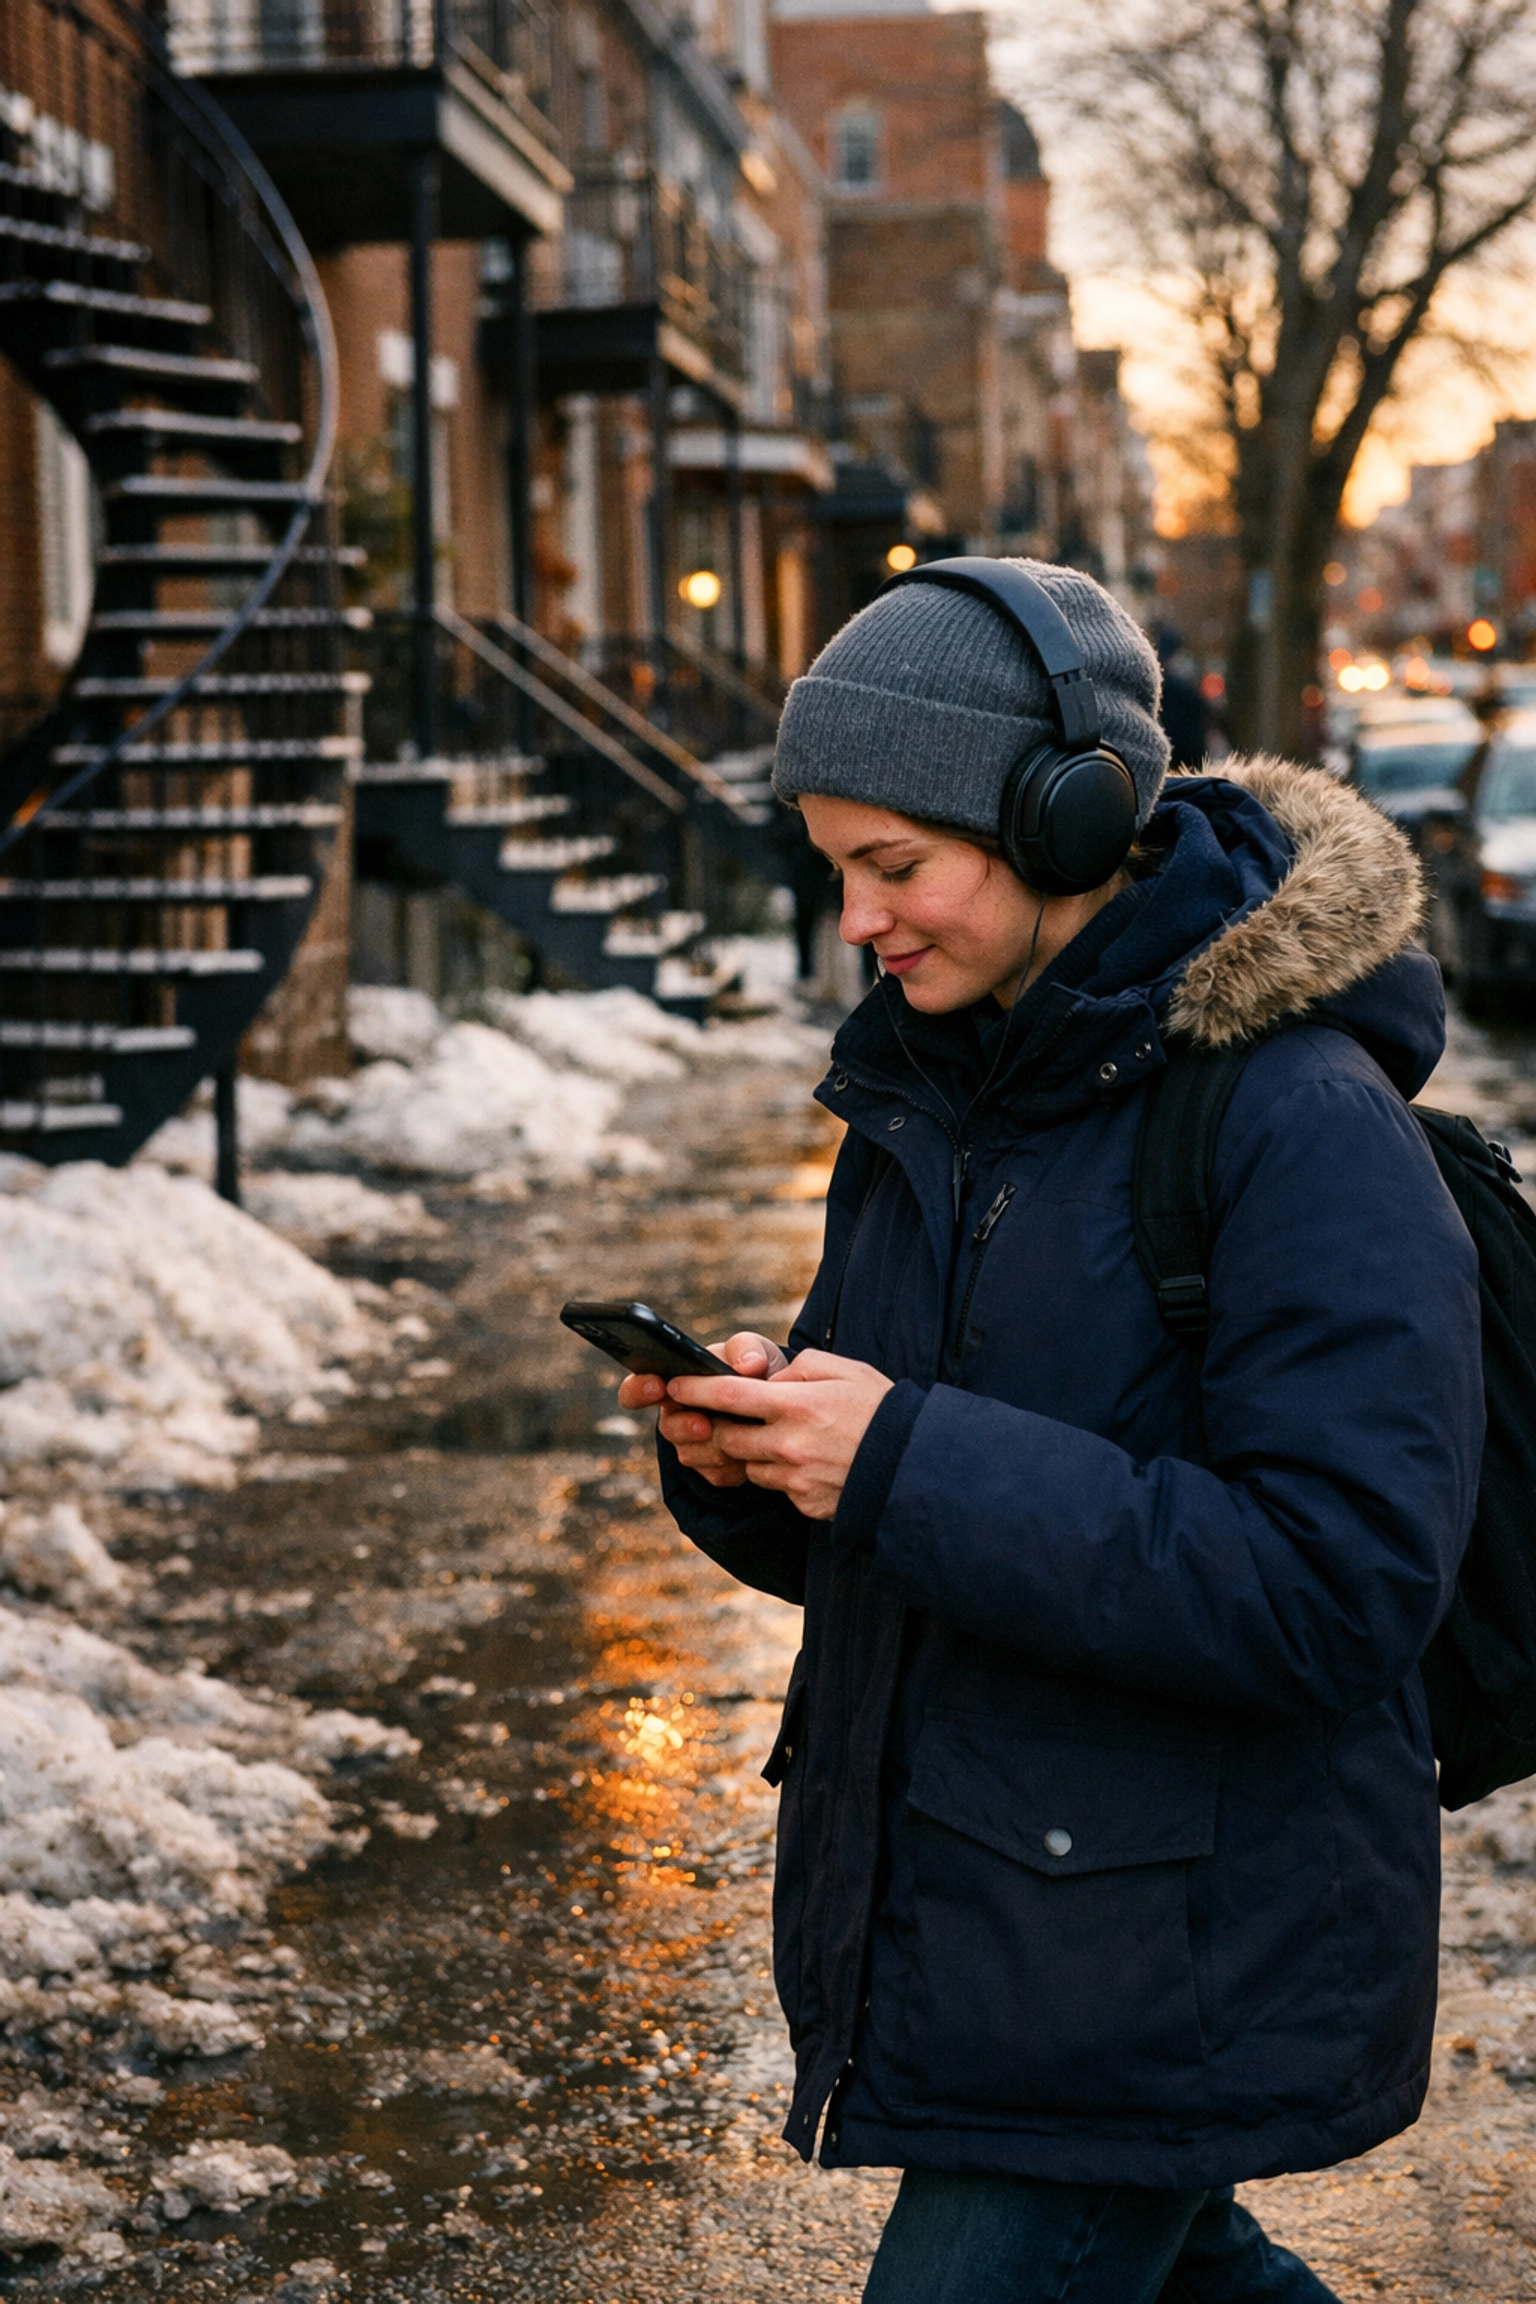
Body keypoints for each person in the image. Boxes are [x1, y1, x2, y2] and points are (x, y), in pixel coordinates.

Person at [618, 561, 1484, 2303]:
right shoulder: (936, 1087)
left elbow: (1338, 1583)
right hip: (1010, 1937)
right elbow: (914, 1506)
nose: (858, 923)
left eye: (896, 868)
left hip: (1162, 1958)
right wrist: (759, 1456)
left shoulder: (1299, 1119)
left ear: (1068, 820)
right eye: (836, 871)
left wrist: (898, 1455)